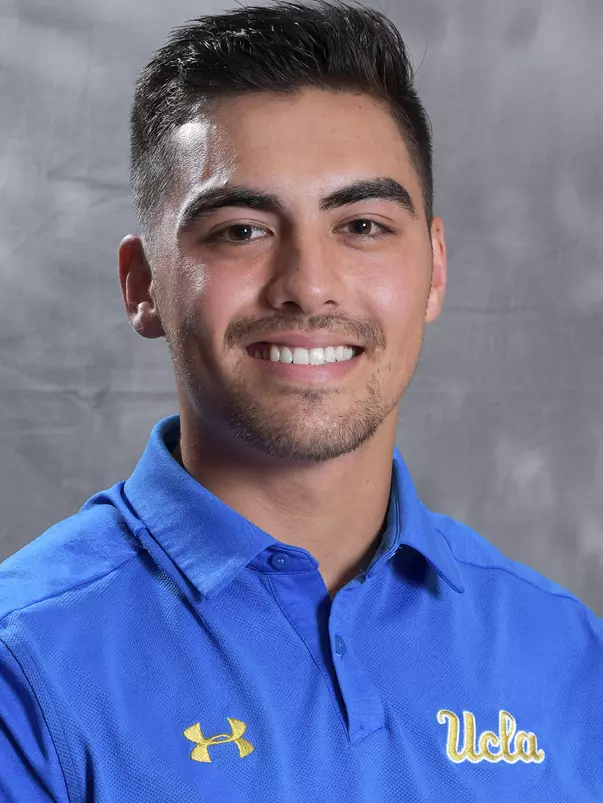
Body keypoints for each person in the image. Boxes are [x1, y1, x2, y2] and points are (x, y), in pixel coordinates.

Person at [1, 0, 601, 800]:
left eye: (362, 225)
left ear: (434, 268)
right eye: (240, 230)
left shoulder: (567, 655)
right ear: (142, 285)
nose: (308, 286)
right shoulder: (25, 668)